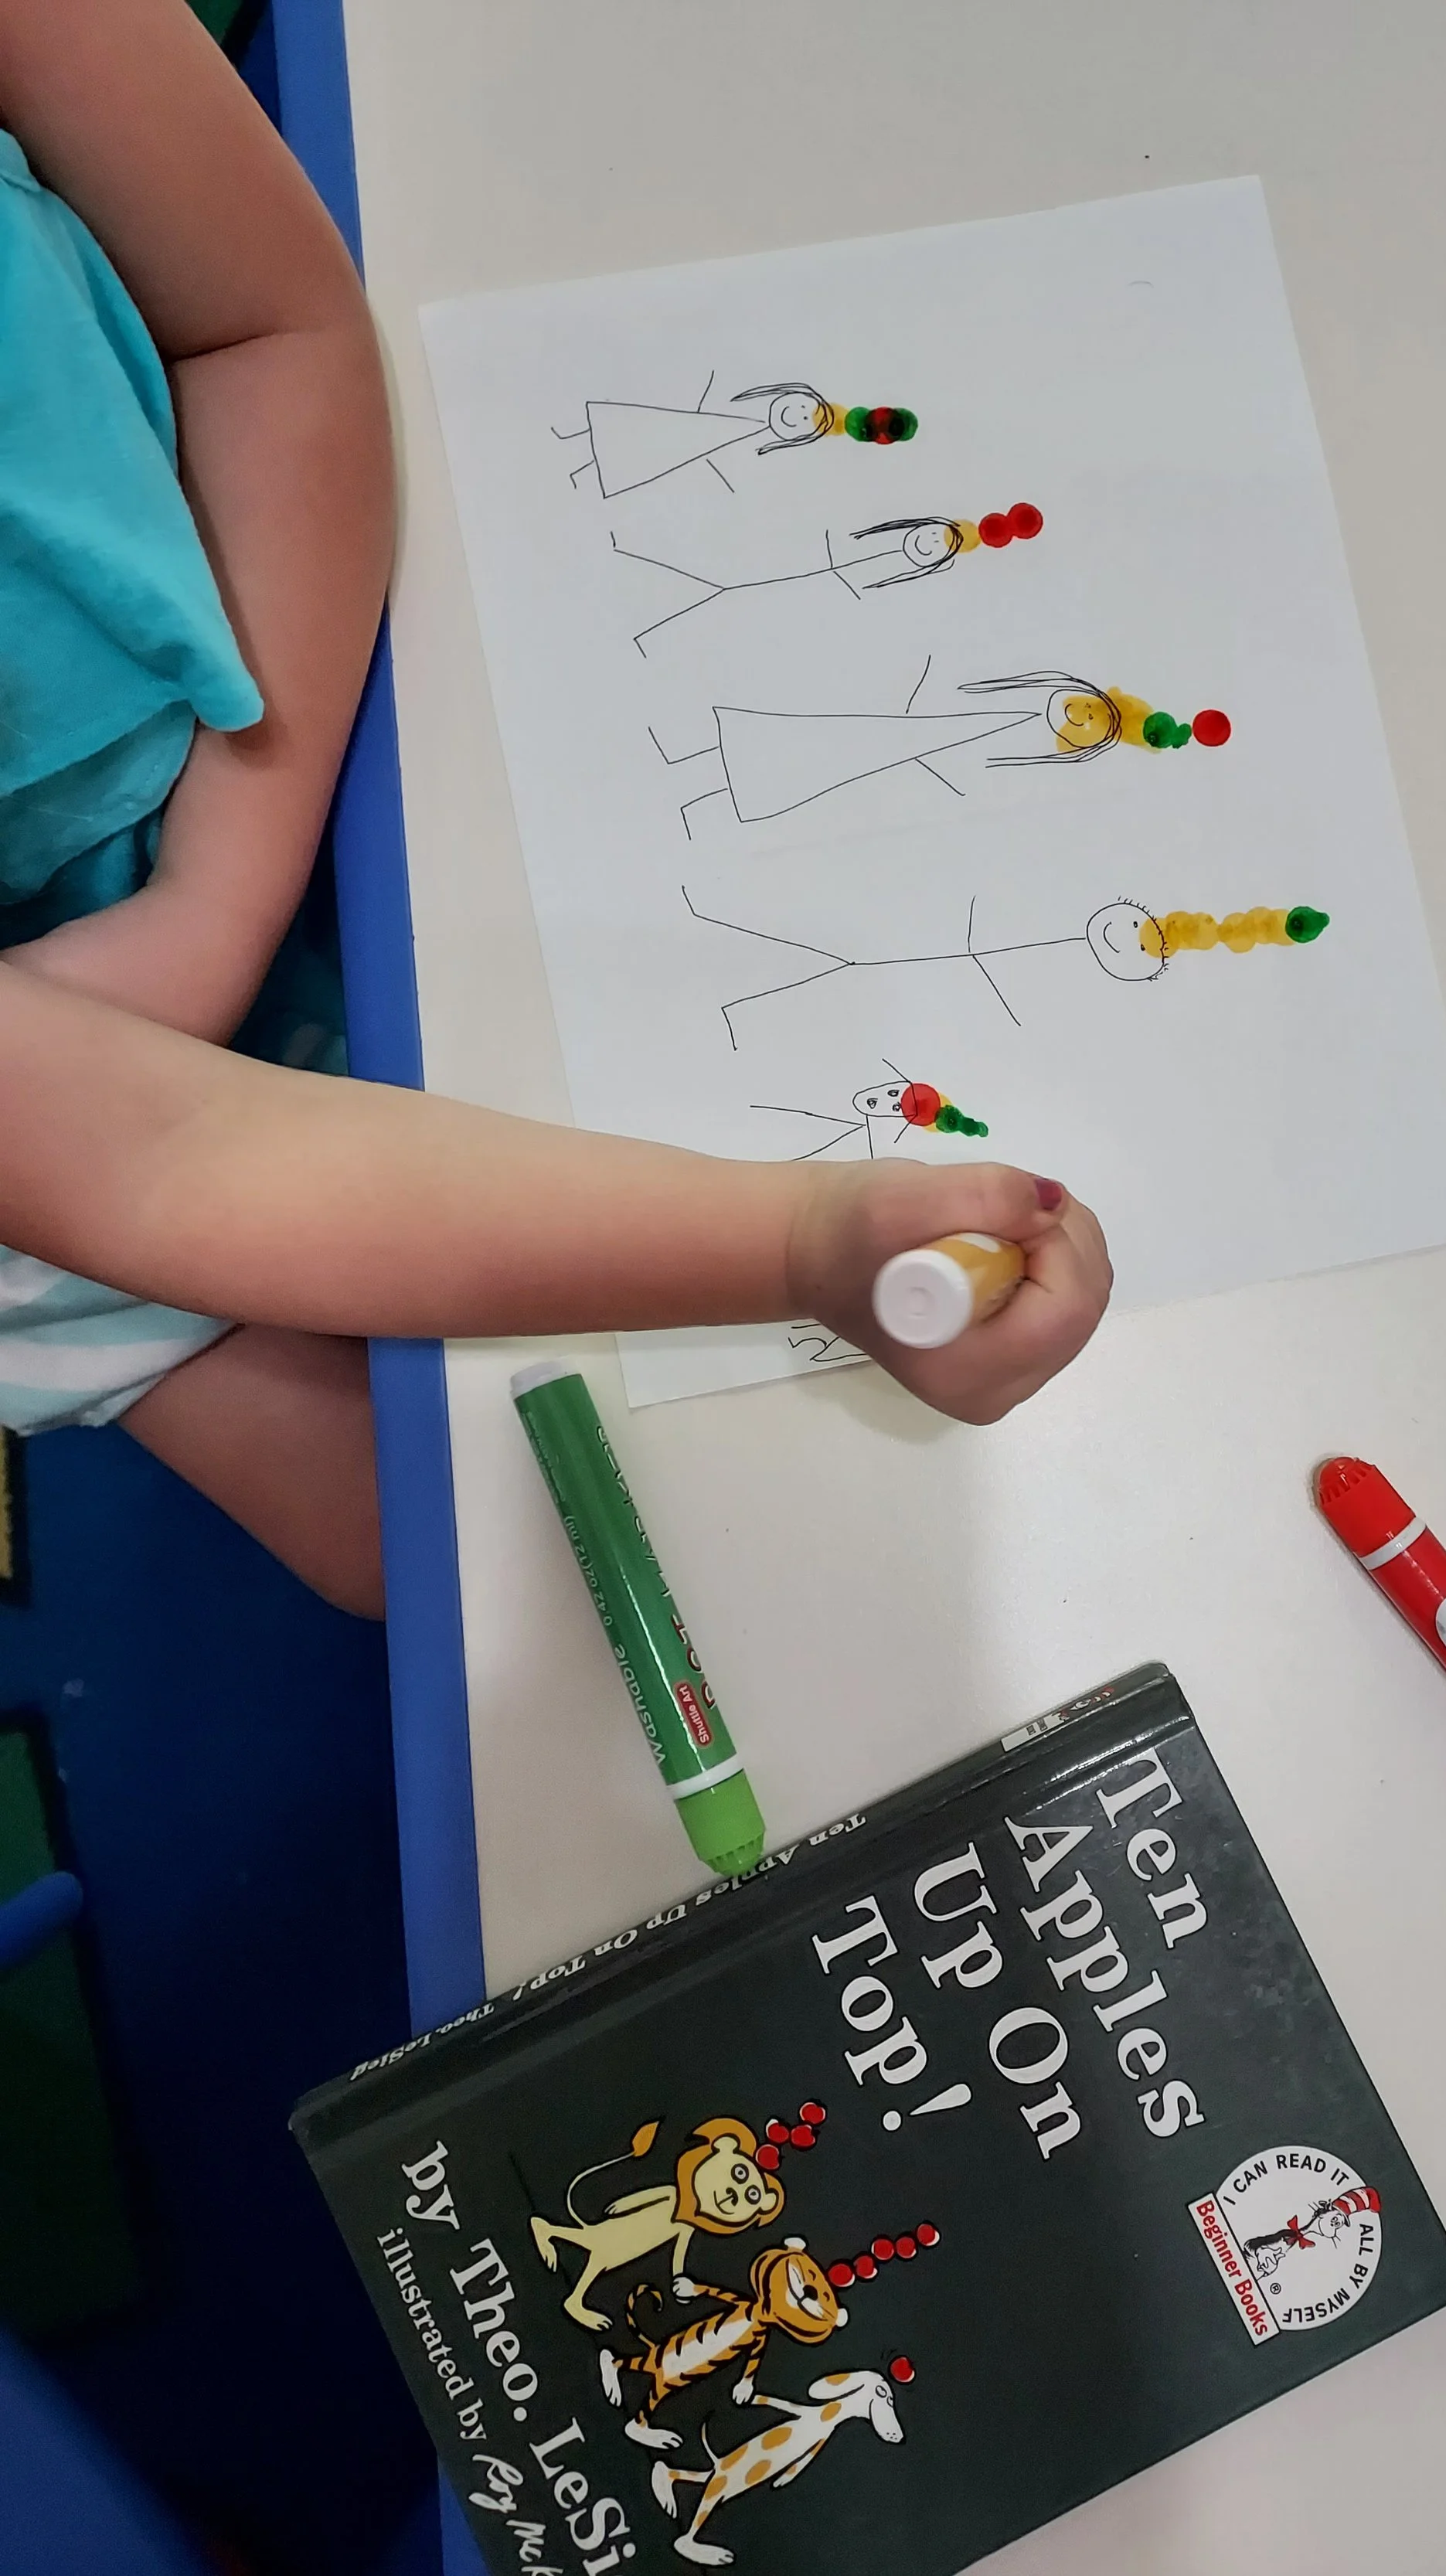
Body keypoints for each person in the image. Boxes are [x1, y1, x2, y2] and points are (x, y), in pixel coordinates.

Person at [0, 0, 1111, 1622]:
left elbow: (272, 328)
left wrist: (217, 898)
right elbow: (163, 1164)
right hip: (88, 1087)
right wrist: (811, 1246)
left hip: (328, 641)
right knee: (570, 1579)